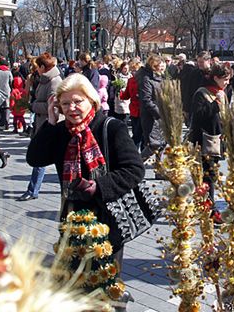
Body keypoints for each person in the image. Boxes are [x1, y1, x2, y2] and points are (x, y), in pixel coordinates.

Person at [26, 73, 145, 273]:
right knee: (73, 285)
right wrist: (50, 122)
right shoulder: (61, 131)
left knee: (105, 287)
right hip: (72, 219)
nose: (71, 108)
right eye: (65, 104)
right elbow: (35, 159)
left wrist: (99, 186)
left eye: (77, 101)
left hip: (107, 219)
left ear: (92, 100)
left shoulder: (112, 128)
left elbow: (134, 170)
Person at [17, 53, 62, 202]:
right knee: (43, 159)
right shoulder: (44, 80)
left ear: (43, 67)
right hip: (41, 123)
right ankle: (33, 189)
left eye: (37, 67)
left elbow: (54, 107)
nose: (35, 69)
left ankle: (33, 189)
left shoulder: (54, 81)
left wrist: (33, 106)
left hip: (51, 126)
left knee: (43, 159)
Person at [189, 63, 231, 218]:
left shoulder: (221, 92)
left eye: (228, 79)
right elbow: (199, 115)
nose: (227, 82)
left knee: (211, 175)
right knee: (209, 175)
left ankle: (206, 206)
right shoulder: (202, 93)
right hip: (205, 140)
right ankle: (210, 209)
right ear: (215, 78)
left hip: (217, 140)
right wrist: (216, 104)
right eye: (224, 79)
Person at [138, 54, 165, 160]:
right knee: (154, 144)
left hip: (161, 115)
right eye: (160, 65)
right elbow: (146, 100)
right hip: (151, 117)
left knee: (162, 143)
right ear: (154, 66)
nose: (162, 67)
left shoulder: (159, 77)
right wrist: (159, 113)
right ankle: (136, 164)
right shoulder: (146, 78)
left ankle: (159, 168)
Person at [120, 60, 142, 150]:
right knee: (135, 133)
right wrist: (120, 92)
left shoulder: (143, 80)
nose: (133, 72)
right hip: (133, 111)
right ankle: (135, 152)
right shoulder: (130, 80)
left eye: (135, 70)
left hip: (142, 110)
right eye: (132, 70)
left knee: (141, 135)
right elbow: (126, 95)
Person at [0, 59, 13, 131]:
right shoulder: (8, 72)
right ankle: (7, 122)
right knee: (7, 107)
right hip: (7, 91)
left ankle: (1, 123)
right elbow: (11, 81)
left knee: (0, 107)